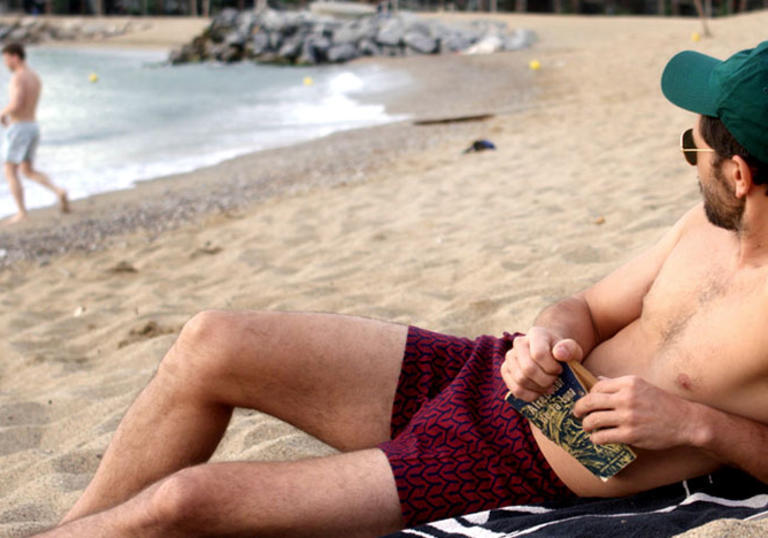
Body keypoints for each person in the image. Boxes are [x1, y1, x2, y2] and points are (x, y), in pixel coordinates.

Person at [37, 42, 768, 537]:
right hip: (492, 374)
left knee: (183, 503)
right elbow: (587, 304)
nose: (688, 166)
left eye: (693, 151)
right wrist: (549, 335)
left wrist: (698, 427)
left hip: (518, 460)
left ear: (740, 177)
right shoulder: (701, 228)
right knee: (213, 340)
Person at [1, 42, 68, 226]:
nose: (5, 63)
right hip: (32, 125)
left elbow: (17, 103)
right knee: (27, 170)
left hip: (19, 127)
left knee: (10, 170)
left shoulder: (18, 77)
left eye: (6, 59)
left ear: (15, 57)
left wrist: (2, 113)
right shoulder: (34, 76)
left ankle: (22, 212)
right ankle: (58, 190)